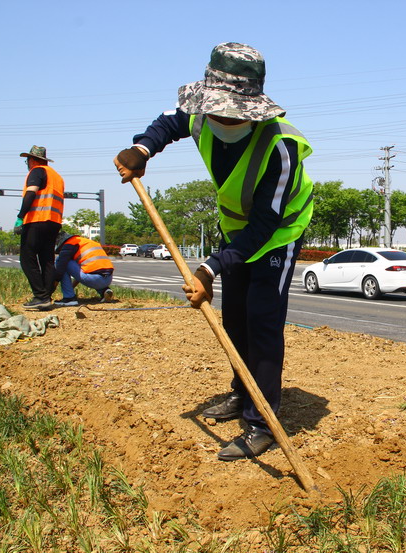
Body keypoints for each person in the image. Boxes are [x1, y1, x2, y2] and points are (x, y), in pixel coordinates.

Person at [114, 42, 313, 461]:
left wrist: (209, 268)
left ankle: (262, 422)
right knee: (234, 318)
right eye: (218, 110)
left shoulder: (281, 147)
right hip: (234, 229)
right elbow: (168, 122)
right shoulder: (200, 114)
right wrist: (143, 149)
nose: (223, 120)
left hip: (276, 234)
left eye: (234, 113)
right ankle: (242, 392)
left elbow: (263, 226)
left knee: (261, 323)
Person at [15, 146, 64, 310]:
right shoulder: (57, 176)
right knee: (47, 259)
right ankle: (46, 297)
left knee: (27, 258)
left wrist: (20, 216)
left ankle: (40, 296)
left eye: (27, 160)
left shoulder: (36, 171)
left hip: (37, 220)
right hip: (54, 221)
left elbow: (31, 193)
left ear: (32, 160)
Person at [52, 232, 114, 306]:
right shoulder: (84, 242)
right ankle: (104, 291)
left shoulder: (69, 245)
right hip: (108, 278)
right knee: (92, 272)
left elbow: (60, 269)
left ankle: (69, 298)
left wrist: (53, 286)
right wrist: (71, 287)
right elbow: (81, 271)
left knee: (61, 261)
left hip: (95, 278)